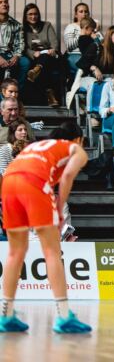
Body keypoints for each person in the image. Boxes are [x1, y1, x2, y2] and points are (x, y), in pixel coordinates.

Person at [0, 121, 91, 333]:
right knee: (52, 251)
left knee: (15, 252)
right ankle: (64, 316)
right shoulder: (76, 149)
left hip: (9, 184)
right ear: (78, 139)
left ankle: (6, 314)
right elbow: (67, 177)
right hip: (33, 183)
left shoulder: (36, 146)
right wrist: (60, 208)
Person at [21, 3, 62, 107]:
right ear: (25, 16)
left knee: (45, 57)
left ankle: (37, 69)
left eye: (35, 14)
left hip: (48, 54)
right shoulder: (23, 29)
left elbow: (54, 43)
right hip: (34, 56)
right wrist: (32, 53)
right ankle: (50, 95)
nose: (33, 16)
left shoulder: (47, 25)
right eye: (30, 14)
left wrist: (53, 50)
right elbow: (23, 47)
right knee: (44, 66)